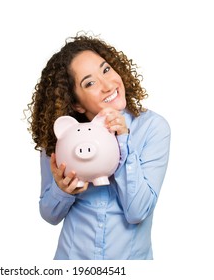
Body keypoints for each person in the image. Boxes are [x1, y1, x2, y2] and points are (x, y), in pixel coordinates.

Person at [26, 33, 171, 260]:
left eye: (106, 70)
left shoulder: (152, 128)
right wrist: (62, 190)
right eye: (90, 83)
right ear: (76, 103)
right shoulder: (62, 138)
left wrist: (123, 140)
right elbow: (49, 214)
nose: (107, 85)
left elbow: (138, 211)